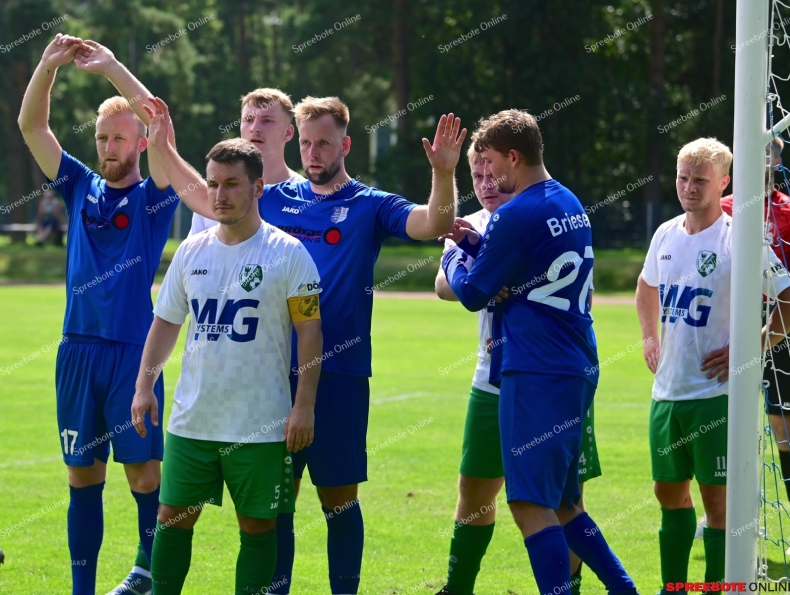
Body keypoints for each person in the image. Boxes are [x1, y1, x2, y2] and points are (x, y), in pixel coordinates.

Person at [143, 94, 462, 595]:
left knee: (338, 500)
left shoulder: (369, 205)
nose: (313, 153)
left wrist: (444, 174)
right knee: (275, 506)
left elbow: (434, 223)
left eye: (325, 144)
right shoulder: (270, 197)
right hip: (270, 376)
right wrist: (162, 147)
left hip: (339, 375)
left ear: (345, 145)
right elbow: (206, 192)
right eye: (308, 143)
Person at [17, 34, 212, 595]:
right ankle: (83, 588)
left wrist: (112, 69)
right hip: (76, 350)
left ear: (137, 142)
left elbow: (161, 124)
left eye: (119, 137)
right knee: (82, 476)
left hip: (132, 352)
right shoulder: (79, 185)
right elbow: (34, 127)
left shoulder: (155, 196)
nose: (108, 146)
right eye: (102, 137)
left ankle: (148, 573)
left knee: (144, 475)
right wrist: (48, 65)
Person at [442, 109, 636, 595]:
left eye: (490, 162)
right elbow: (530, 263)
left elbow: (470, 294)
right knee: (566, 502)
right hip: (575, 362)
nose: (487, 175)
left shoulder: (514, 212)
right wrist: (480, 244)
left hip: (534, 369)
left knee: (528, 503)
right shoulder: (568, 201)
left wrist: (454, 253)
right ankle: (624, 588)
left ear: (513, 156)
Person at [131, 137, 323, 595]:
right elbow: (164, 325)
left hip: (259, 425)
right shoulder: (191, 252)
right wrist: (143, 387)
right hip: (192, 421)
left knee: (257, 528)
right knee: (171, 521)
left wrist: (304, 406)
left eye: (232, 184)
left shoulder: (289, 253)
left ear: (258, 188)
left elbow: (311, 333)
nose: (220, 194)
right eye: (214, 184)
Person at [636, 137, 790, 592]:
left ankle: (716, 589)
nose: (688, 187)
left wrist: (755, 347)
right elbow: (645, 286)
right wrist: (650, 336)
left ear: (724, 182)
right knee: (668, 495)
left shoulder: (740, 240)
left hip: (716, 397)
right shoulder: (665, 234)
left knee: (719, 503)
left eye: (700, 180)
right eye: (683, 177)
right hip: (667, 394)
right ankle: (673, 588)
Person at [719, 137, 790, 556]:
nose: (764, 159)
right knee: (721, 418)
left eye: (771, 153)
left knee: (784, 430)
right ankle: (721, 512)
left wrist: (771, 334)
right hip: (732, 324)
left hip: (781, 328)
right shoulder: (726, 208)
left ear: (777, 161)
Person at [189, 88, 304, 236]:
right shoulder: (217, 194)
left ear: (288, 132)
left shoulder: (304, 196)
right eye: (248, 120)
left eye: (267, 121)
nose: (255, 128)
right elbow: (193, 255)